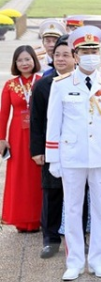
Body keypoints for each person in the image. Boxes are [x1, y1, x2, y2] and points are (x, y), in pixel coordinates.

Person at [46, 26, 101, 280]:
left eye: (94, 50)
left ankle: (99, 261)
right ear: (76, 54)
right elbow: (54, 123)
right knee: (72, 209)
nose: (91, 55)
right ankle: (75, 262)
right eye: (85, 51)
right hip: (72, 156)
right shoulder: (61, 84)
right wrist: (53, 158)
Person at [30, 37, 75, 259]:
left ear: (75, 58)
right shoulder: (44, 85)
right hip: (53, 149)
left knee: (79, 194)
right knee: (52, 193)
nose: (60, 59)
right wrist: (37, 150)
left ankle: (77, 238)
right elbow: (36, 121)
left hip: (78, 149)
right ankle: (51, 238)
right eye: (57, 55)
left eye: (65, 55)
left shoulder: (83, 82)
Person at [1, 45, 43, 232]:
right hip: (17, 135)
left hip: (38, 134)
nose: (24, 63)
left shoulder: (42, 81)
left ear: (34, 60)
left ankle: (37, 218)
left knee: (36, 176)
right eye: (20, 60)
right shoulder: (10, 85)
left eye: (28, 59)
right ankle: (19, 219)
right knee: (19, 176)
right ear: (15, 63)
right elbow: (3, 113)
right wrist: (1, 138)